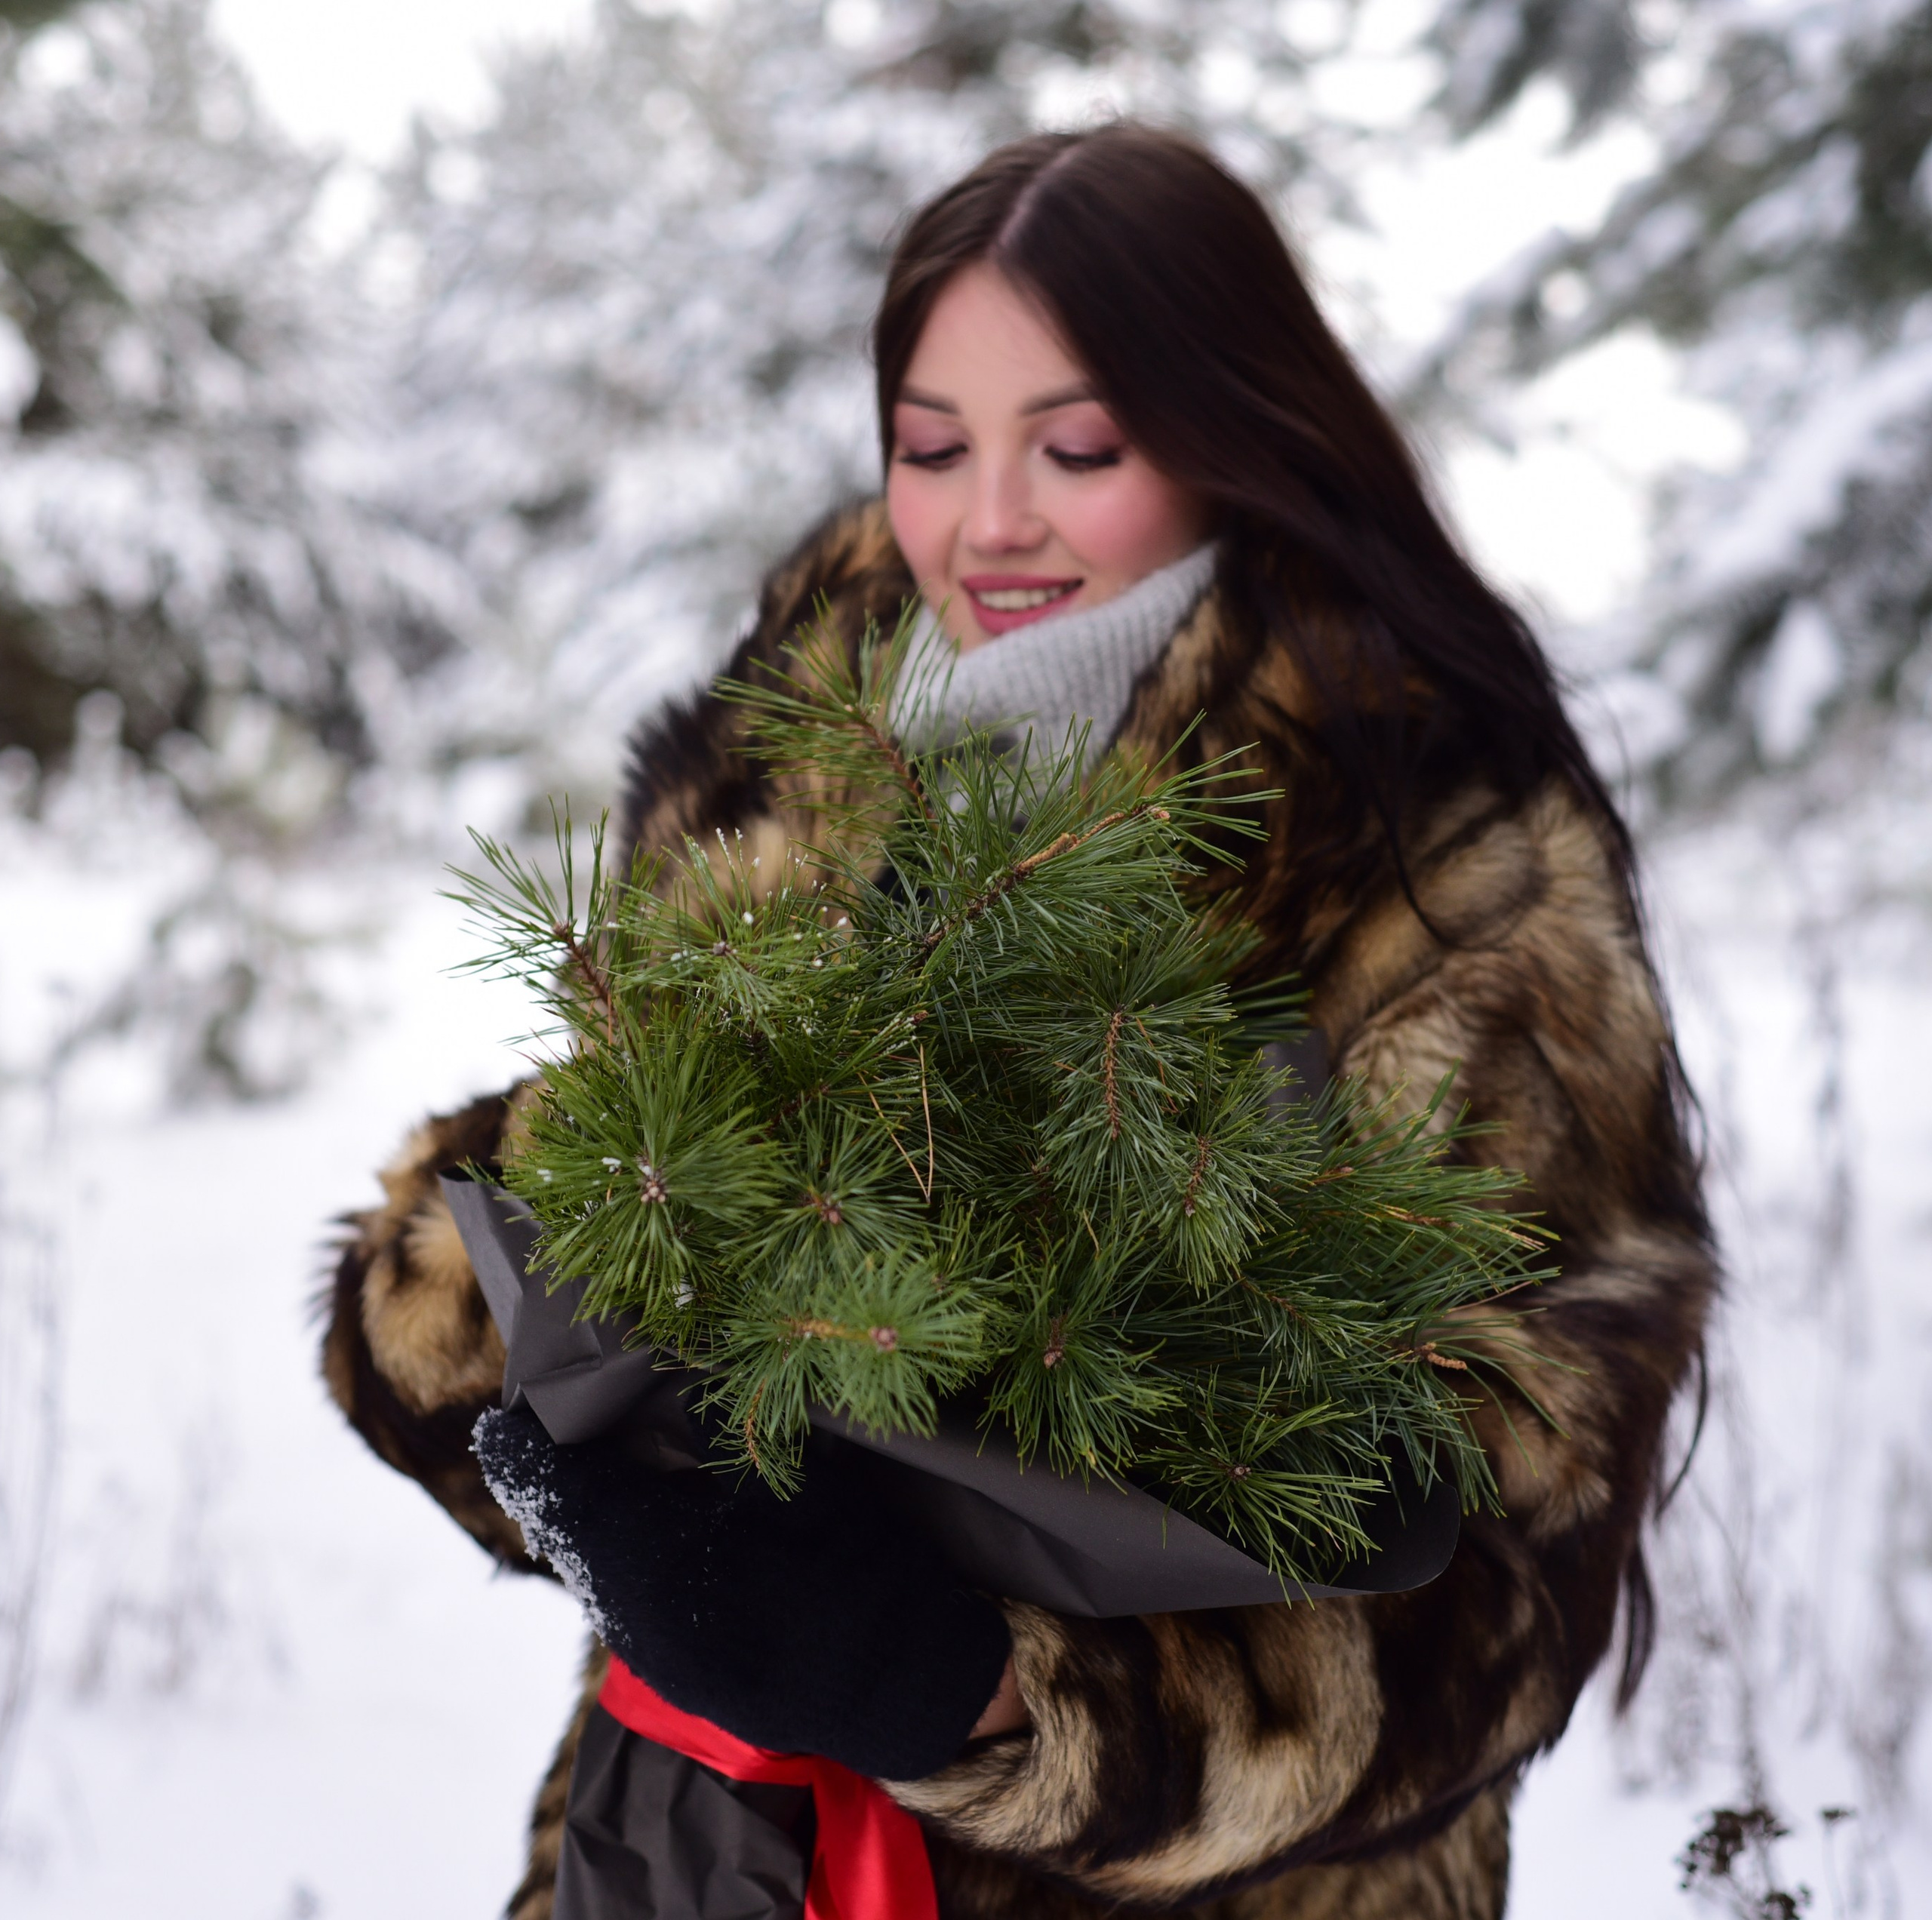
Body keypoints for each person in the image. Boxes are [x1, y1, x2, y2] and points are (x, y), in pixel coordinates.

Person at [323, 125, 1714, 1919]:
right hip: (706, 1848)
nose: (986, 521)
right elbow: (614, 1192)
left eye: (1076, 446)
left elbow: (1500, 1588)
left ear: (1236, 432)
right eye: (927, 446)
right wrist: (490, 1359)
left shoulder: (1429, 864)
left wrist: (970, 1691)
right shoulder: (796, 752)